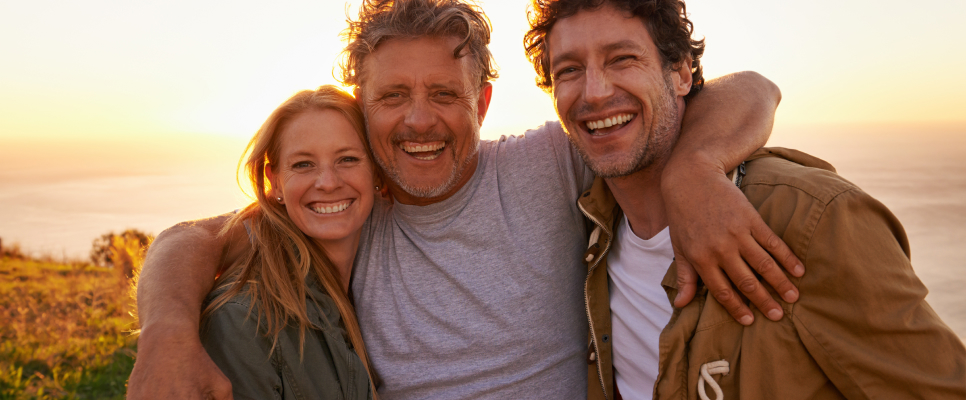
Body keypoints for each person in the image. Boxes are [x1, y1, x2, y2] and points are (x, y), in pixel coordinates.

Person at [126, 1, 804, 399]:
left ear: (481, 102)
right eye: (393, 97)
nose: (419, 122)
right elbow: (193, 238)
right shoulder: (351, 208)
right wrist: (164, 336)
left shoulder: (547, 164)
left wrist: (695, 171)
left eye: (444, 95)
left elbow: (752, 88)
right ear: (364, 106)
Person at [524, 0, 966, 398]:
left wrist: (693, 167)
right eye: (569, 70)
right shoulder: (584, 223)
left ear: (680, 73)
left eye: (622, 59)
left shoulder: (810, 218)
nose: (595, 92)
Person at [197, 86, 378, 399]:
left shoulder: (375, 286)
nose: (329, 182)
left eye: (347, 159)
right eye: (303, 164)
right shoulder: (242, 321)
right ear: (275, 181)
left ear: (375, 170)